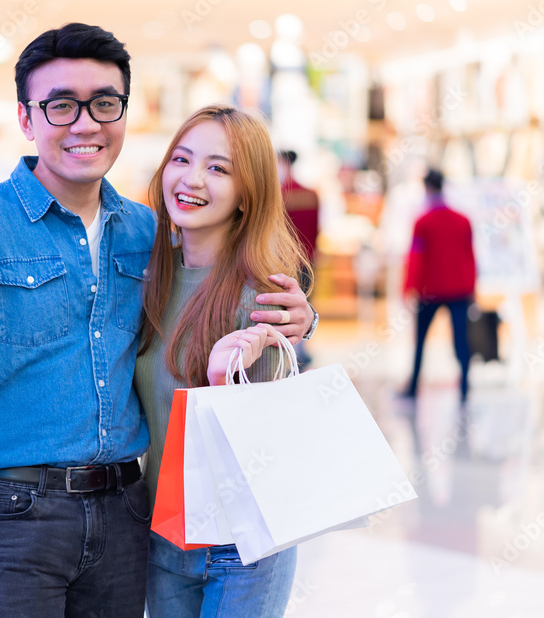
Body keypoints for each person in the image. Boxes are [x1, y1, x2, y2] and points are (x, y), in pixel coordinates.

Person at [0, 23, 315, 617]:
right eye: (61, 105)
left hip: (127, 513)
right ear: (27, 119)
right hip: (15, 515)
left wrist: (302, 317)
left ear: (123, 113)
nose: (85, 123)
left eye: (104, 103)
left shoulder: (148, 234)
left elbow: (224, 281)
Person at [135, 106, 315, 618]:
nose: (192, 179)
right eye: (182, 159)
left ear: (247, 194)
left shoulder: (262, 293)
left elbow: (270, 425)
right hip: (165, 531)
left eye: (218, 168)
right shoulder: (147, 277)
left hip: (244, 544)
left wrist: (227, 383)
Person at [401, 168, 476, 403]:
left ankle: (413, 387)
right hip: (459, 289)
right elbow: (470, 256)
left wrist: (409, 288)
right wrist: (473, 286)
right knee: (461, 340)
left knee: (421, 340)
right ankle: (465, 386)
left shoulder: (423, 221)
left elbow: (416, 258)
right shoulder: (462, 220)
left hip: (429, 290)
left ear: (427, 188)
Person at [277, 149, 320, 367]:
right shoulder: (311, 194)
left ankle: (290, 352)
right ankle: (302, 347)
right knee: (304, 302)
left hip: (283, 261)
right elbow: (316, 231)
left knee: (285, 307)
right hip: (307, 259)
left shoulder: (279, 195)